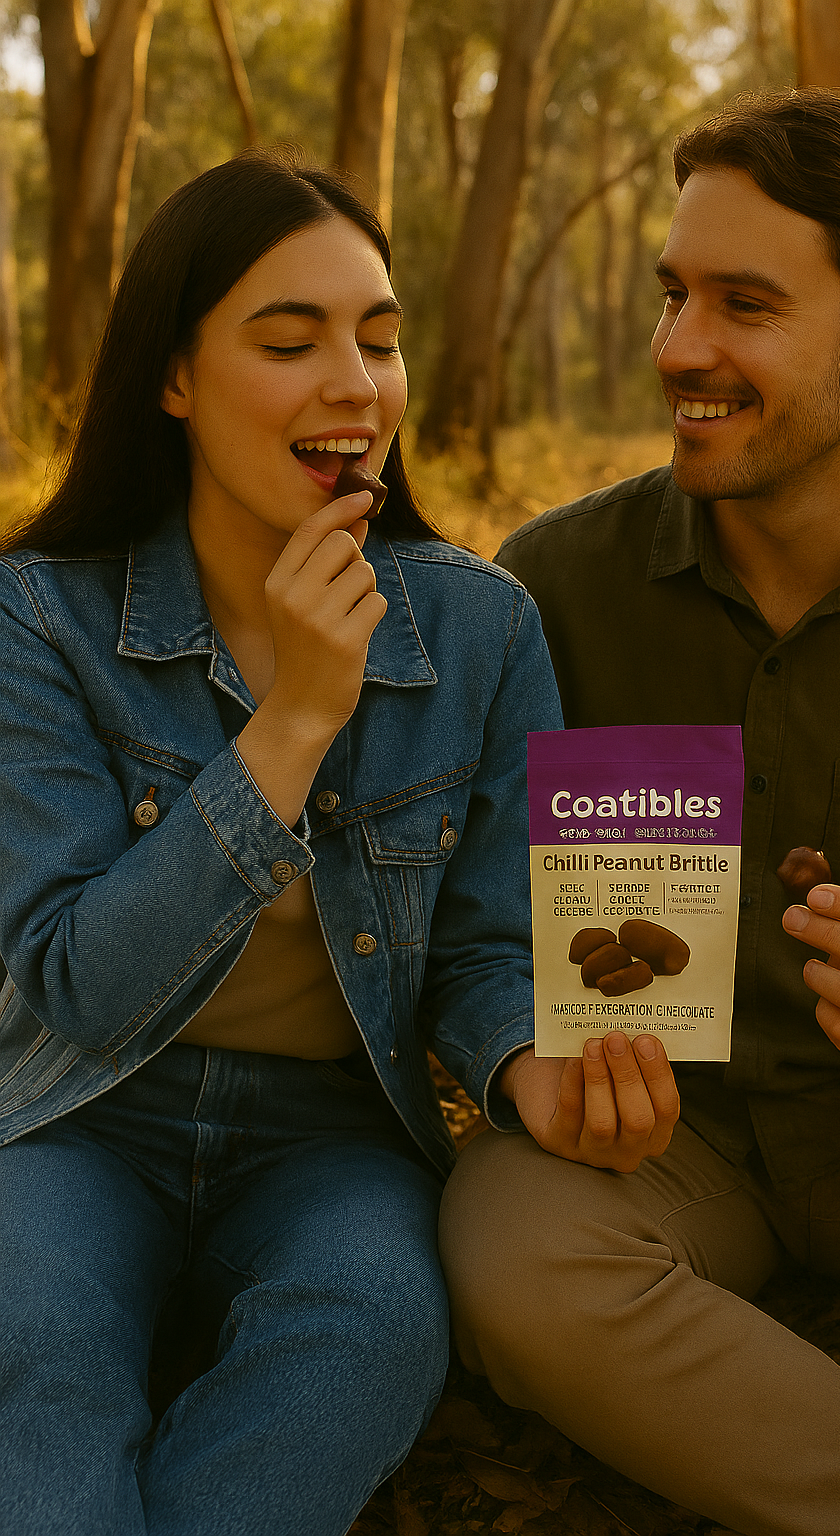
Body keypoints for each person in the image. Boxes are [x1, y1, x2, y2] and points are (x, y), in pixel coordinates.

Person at [438, 91, 840, 1536]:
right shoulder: (551, 588)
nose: (678, 350)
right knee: (509, 1254)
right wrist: (523, 1051)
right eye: (672, 296)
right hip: (661, 1149)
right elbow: (462, 923)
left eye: (744, 304)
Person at [0, 149, 562, 1535]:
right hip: (78, 1112)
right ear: (174, 378)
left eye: (380, 338)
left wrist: (529, 1060)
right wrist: (293, 724)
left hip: (332, 1138)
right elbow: (74, 978)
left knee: (367, 1331)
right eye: (290, 339)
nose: (354, 385)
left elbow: (493, 944)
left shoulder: (481, 628)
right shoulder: (40, 619)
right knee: (41, 1359)